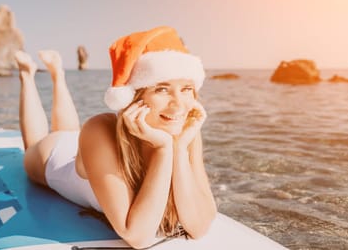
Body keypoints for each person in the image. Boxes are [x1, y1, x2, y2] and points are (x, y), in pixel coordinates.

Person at [15, 26, 217, 249]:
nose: (179, 104)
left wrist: (177, 148)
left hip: (90, 152)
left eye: (187, 88)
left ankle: (57, 74)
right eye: (162, 89)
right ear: (133, 97)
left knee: (70, 130)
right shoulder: (99, 128)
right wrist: (163, 150)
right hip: (55, 158)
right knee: (42, 141)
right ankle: (28, 74)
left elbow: (199, 227)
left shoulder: (184, 131)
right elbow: (137, 237)